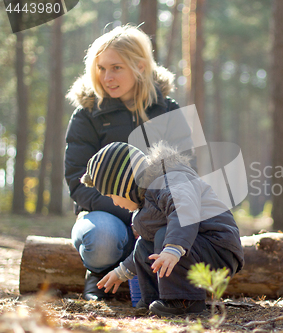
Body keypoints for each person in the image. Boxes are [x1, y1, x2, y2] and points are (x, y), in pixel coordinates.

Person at [64, 25, 185, 301]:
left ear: (140, 66)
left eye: (116, 67)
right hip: (104, 214)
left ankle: (163, 289)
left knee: (178, 232)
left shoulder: (169, 110)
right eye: (101, 68)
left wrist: (148, 215)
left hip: (159, 213)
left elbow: (184, 173)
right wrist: (128, 214)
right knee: (103, 238)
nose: (107, 77)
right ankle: (99, 276)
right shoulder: (87, 114)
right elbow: (77, 181)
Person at [80, 141, 244, 316]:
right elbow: (146, 249)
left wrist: (173, 248)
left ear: (124, 185)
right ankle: (154, 299)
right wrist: (122, 271)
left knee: (163, 236)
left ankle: (184, 301)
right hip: (196, 248)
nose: (114, 203)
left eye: (112, 195)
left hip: (217, 249)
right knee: (144, 244)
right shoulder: (147, 200)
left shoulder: (170, 180)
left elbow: (184, 210)